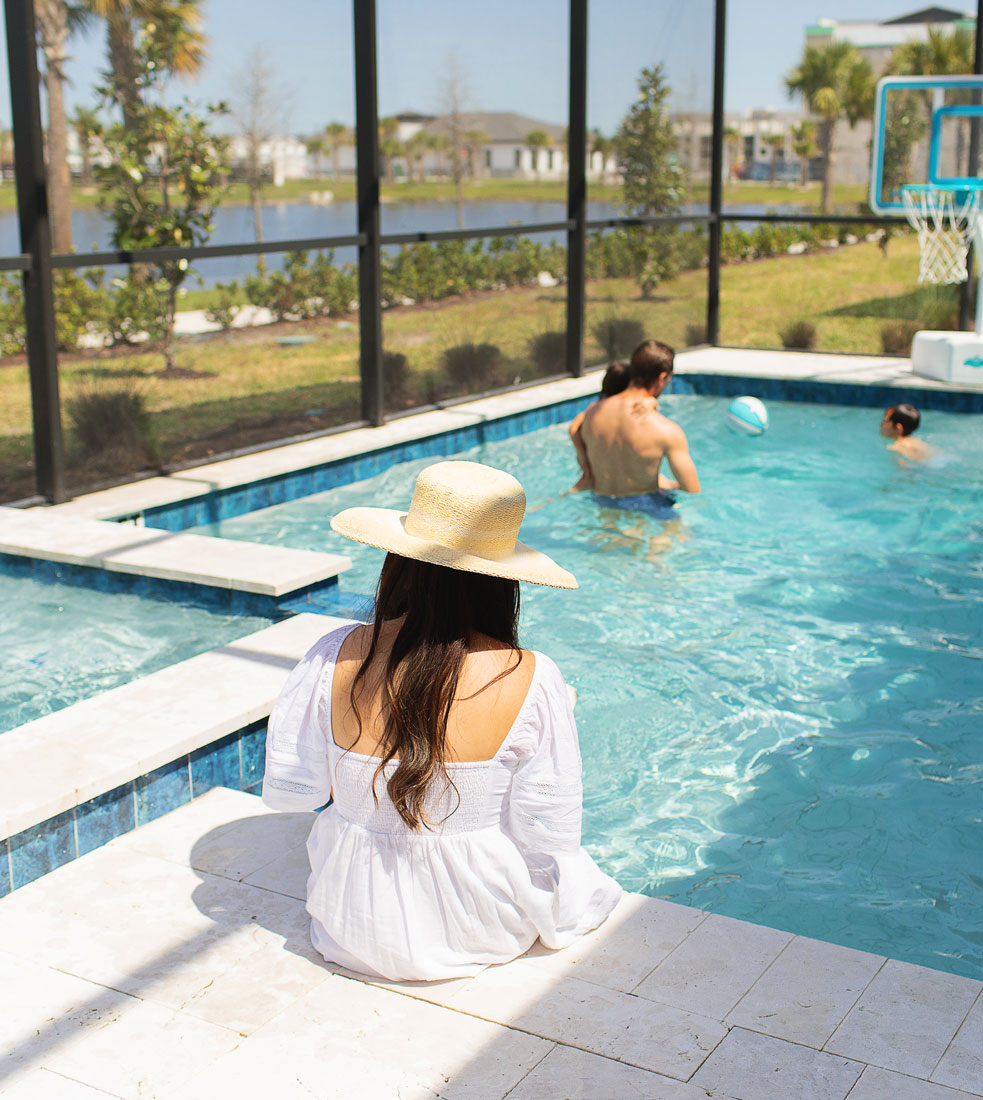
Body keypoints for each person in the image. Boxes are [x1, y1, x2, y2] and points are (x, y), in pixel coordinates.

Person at [262, 460, 622, 981]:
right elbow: (545, 831)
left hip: (350, 921)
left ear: (399, 561)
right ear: (502, 582)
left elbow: (307, 786)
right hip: (477, 924)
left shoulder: (333, 654)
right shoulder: (529, 675)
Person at [572, 339, 701, 514]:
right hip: (647, 505)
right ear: (662, 377)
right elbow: (691, 491)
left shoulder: (593, 412)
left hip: (600, 501)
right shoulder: (666, 430)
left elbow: (574, 428)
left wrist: (584, 461)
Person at [568, 361, 630, 491]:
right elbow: (574, 427)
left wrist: (584, 460)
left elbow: (573, 427)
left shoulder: (598, 406)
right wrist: (585, 461)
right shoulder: (608, 408)